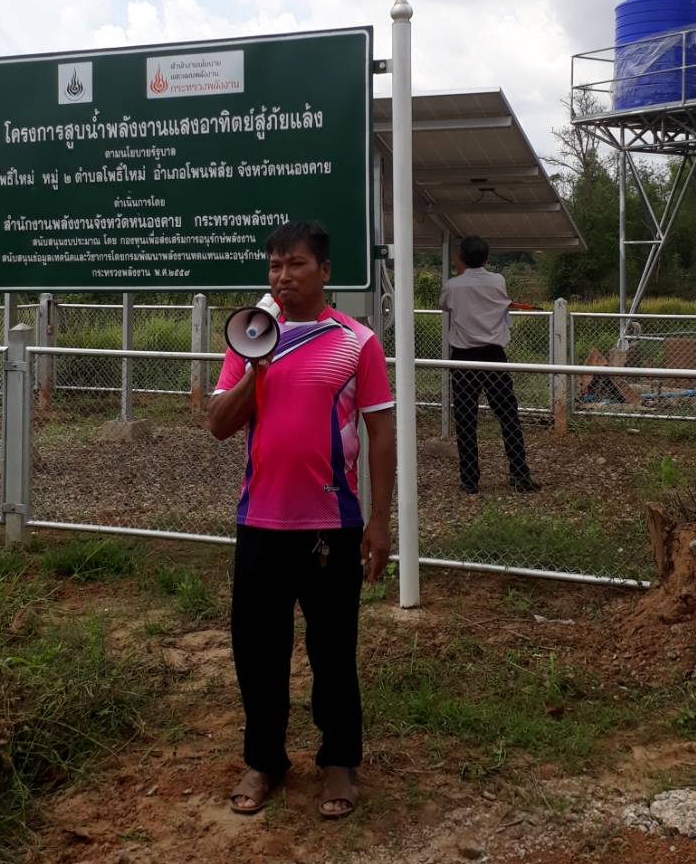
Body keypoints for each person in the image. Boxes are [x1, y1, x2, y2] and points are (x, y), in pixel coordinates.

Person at [207, 219, 395, 820]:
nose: (282, 277)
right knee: (256, 651)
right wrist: (257, 366)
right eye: (274, 267)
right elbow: (219, 424)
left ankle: (339, 761)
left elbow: (381, 431)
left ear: (325, 271)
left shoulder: (356, 342)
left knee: (333, 649)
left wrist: (380, 521)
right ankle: (263, 761)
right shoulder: (248, 338)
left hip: (330, 526)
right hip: (260, 522)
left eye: (295, 265)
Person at [439, 235, 539, 495]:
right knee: (507, 414)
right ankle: (519, 473)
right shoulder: (498, 281)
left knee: (465, 418)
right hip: (494, 356)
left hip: (463, 358)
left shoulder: (452, 286)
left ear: (461, 257)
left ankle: (470, 480)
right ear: (486, 258)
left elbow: (444, 305)